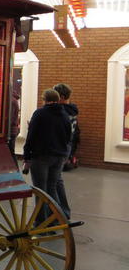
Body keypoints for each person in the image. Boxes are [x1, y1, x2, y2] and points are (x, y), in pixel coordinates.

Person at [23, 89, 72, 225]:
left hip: (41, 156)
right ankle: (54, 218)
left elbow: (31, 136)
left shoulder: (40, 113)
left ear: (44, 99)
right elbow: (68, 136)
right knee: (52, 187)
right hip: (59, 156)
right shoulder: (64, 115)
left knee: (40, 190)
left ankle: (41, 222)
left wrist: (27, 156)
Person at [53, 83, 79, 219]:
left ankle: (59, 213)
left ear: (61, 97)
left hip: (58, 147)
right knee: (57, 179)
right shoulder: (72, 110)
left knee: (55, 180)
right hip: (66, 146)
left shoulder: (61, 111)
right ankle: (63, 212)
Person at [8, 92, 20, 157]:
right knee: (10, 152)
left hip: (10, 130)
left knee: (10, 153)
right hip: (12, 130)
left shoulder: (11, 101)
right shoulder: (13, 100)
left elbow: (10, 118)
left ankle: (15, 167)